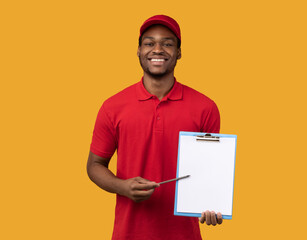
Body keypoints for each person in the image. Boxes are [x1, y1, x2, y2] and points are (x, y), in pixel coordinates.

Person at [87, 15, 222, 240]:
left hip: (184, 234)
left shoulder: (205, 107)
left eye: (167, 43)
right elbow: (94, 166)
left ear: (179, 52)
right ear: (138, 51)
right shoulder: (112, 107)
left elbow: (210, 173)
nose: (158, 49)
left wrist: (213, 204)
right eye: (149, 43)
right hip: (128, 234)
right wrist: (122, 187)